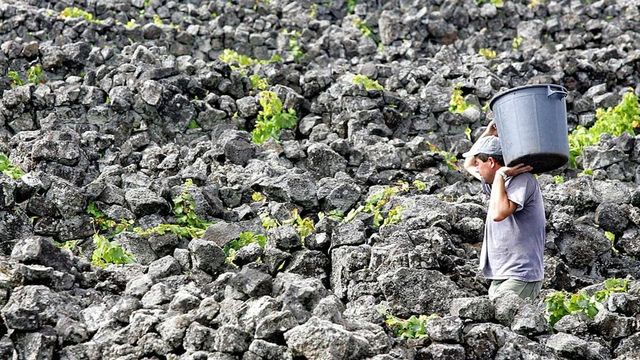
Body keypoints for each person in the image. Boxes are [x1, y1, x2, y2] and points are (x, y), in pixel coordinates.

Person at [462, 121, 546, 301]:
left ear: (491, 161)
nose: (476, 168)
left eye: (480, 163)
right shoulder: (494, 182)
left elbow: (500, 213)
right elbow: (468, 164)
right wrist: (488, 133)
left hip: (521, 273)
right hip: (501, 274)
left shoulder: (521, 180)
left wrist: (501, 175)